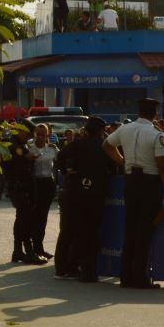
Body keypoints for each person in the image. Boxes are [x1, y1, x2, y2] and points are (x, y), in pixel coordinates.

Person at [103, 98, 164, 289]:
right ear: (155, 114)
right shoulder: (156, 134)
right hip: (150, 183)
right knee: (145, 231)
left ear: (139, 112)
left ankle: (125, 277)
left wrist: (123, 162)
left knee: (130, 229)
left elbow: (107, 145)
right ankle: (140, 278)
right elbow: (163, 165)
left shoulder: (124, 129)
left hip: (130, 182)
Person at [56, 117, 116, 281]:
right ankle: (89, 270)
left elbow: (60, 156)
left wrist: (67, 170)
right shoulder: (105, 146)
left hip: (77, 191)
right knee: (92, 232)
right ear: (101, 130)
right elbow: (114, 168)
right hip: (96, 192)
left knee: (74, 231)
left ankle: (69, 267)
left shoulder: (78, 144)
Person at [5, 126, 46, 265]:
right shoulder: (14, 144)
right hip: (18, 186)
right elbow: (29, 157)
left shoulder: (19, 143)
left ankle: (17, 251)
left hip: (21, 185)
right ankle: (29, 252)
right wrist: (42, 149)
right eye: (27, 134)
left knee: (21, 218)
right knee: (25, 220)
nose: (28, 137)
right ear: (20, 131)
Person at [28, 124, 58, 261]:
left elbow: (62, 160)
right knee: (34, 216)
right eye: (38, 134)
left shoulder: (52, 149)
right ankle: (32, 248)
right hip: (34, 185)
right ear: (34, 134)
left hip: (48, 184)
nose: (40, 137)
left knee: (43, 217)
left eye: (43, 134)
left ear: (48, 135)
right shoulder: (29, 148)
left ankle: (39, 247)